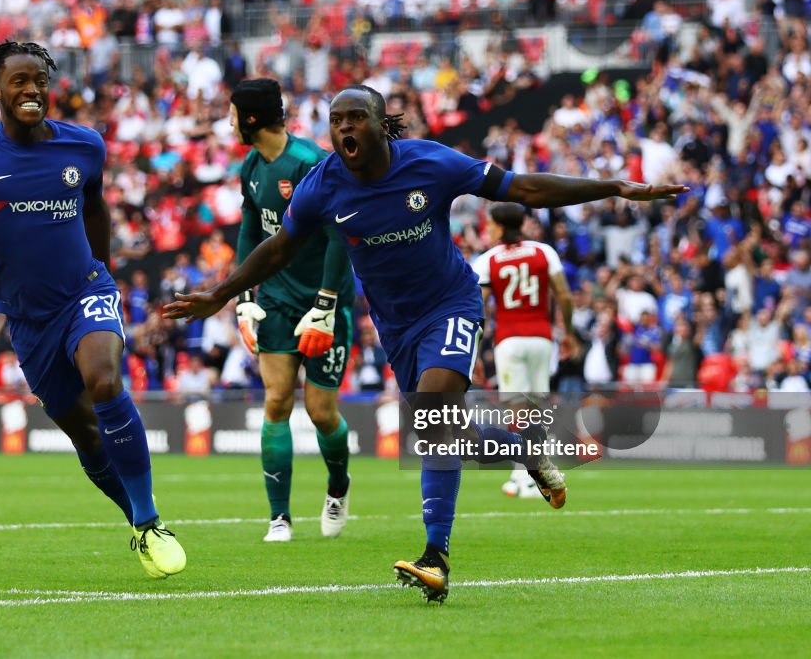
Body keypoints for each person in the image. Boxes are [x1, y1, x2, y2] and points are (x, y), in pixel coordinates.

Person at [163, 84, 686, 603]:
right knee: (448, 429)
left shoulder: (430, 163)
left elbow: (523, 189)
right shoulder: (322, 186)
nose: (345, 127)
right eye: (336, 119)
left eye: (356, 118)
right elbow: (278, 249)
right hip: (396, 327)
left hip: (451, 305)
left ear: (380, 123)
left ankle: (435, 557)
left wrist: (613, 186)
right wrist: (220, 294)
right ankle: (525, 451)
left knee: (434, 421)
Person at [0, 41, 186, 579]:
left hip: (85, 292)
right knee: (84, 433)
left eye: (40, 80)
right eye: (19, 81)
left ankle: (152, 522)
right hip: (27, 317)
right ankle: (136, 522)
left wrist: (104, 278)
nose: (32, 90)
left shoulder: (84, 147)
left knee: (104, 380)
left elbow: (97, 206)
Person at [229, 78, 356, 543]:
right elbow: (248, 229)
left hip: (325, 300)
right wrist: (245, 297)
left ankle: (338, 487)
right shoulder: (251, 166)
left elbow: (339, 236)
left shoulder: (310, 164)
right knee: (277, 399)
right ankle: (279, 516)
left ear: (251, 118)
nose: (228, 121)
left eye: (232, 113)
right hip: (277, 300)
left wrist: (326, 303)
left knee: (322, 412)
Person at [471, 202, 573, 499]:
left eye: (490, 225)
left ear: (500, 227)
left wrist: (475, 351)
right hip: (542, 338)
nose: (487, 230)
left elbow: (481, 309)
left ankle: (526, 475)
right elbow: (564, 296)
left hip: (510, 340)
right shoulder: (544, 251)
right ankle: (530, 472)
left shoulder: (488, 260)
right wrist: (567, 332)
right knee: (538, 405)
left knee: (516, 408)